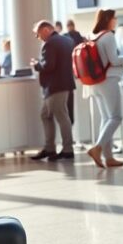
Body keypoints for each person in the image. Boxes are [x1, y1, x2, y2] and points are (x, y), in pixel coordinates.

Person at [84, 9, 123, 168]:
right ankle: (97, 148)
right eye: (114, 18)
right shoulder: (108, 36)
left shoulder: (92, 35)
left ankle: (108, 157)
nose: (116, 20)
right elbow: (115, 60)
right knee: (116, 117)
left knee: (106, 118)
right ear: (108, 19)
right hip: (108, 80)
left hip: (94, 83)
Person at [30, 20, 76, 161]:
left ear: (45, 30)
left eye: (38, 35)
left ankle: (67, 149)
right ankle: (49, 148)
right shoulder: (67, 40)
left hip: (54, 86)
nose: (39, 38)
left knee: (62, 117)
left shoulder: (50, 43)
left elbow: (48, 65)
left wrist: (36, 64)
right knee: (46, 115)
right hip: (65, 84)